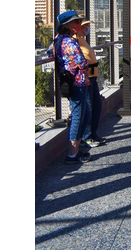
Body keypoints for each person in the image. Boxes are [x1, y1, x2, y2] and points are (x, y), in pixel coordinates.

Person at [47, 10, 92, 165]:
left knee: (84, 114)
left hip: (69, 81)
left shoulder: (58, 40)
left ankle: (76, 149)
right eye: (76, 22)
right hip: (78, 82)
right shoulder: (70, 42)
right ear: (67, 25)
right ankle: (72, 154)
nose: (79, 25)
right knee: (79, 117)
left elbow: (49, 52)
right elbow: (82, 62)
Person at [77, 19, 107, 148]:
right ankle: (86, 137)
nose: (88, 28)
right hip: (86, 77)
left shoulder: (83, 39)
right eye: (86, 25)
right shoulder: (75, 40)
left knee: (97, 104)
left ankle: (93, 133)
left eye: (88, 25)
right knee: (88, 106)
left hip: (93, 76)